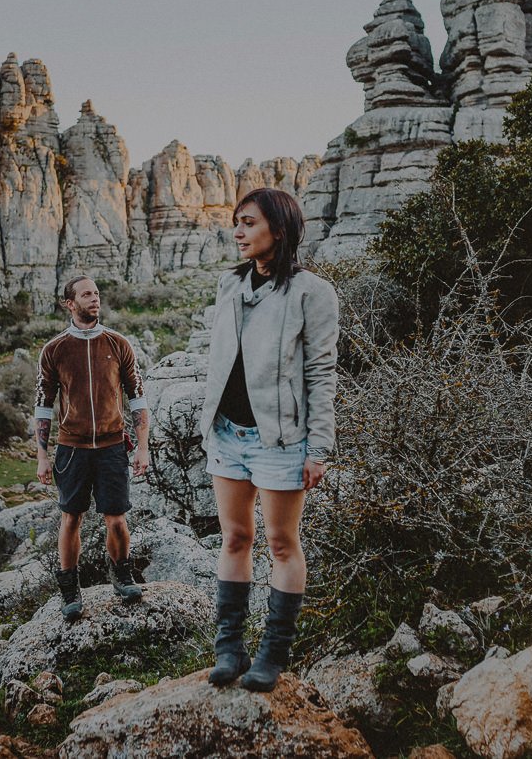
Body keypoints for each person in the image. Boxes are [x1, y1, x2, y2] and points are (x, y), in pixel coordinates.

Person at [198, 187, 339, 692]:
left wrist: (318, 448)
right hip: (227, 435)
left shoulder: (312, 293)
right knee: (235, 538)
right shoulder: (228, 286)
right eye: (236, 222)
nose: (237, 231)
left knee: (282, 543)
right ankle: (228, 648)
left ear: (278, 230)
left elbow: (322, 374)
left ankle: (272, 654)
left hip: (280, 440)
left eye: (248, 223)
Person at [35, 275, 151, 622]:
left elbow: (138, 397)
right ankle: (70, 590)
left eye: (97, 293)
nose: (94, 299)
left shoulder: (118, 343)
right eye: (86, 295)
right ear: (69, 304)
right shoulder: (54, 349)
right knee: (72, 518)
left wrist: (142, 447)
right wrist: (42, 455)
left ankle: (122, 575)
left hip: (113, 446)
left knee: (117, 520)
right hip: (72, 448)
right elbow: (43, 405)